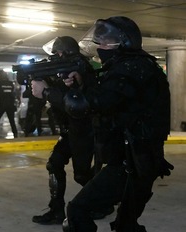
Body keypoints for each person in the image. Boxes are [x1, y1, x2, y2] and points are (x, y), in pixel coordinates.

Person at [61, 16, 174, 232]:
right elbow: (113, 100)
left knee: (77, 212)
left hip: (133, 163)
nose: (99, 47)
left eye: (104, 42)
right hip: (135, 160)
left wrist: (48, 92)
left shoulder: (132, 68)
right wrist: (83, 83)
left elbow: (92, 104)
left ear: (123, 43)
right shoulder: (132, 66)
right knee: (126, 225)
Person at [31, 36, 112, 225]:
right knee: (54, 164)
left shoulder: (82, 69)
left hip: (85, 131)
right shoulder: (63, 70)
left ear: (67, 52)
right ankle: (56, 209)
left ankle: (104, 202)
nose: (56, 57)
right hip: (70, 129)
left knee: (82, 175)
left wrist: (49, 91)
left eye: (59, 53)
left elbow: (79, 104)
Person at [0, 70, 18, 139]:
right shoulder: (11, 83)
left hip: (2, 105)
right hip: (10, 105)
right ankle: (15, 134)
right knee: (12, 121)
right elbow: (14, 94)